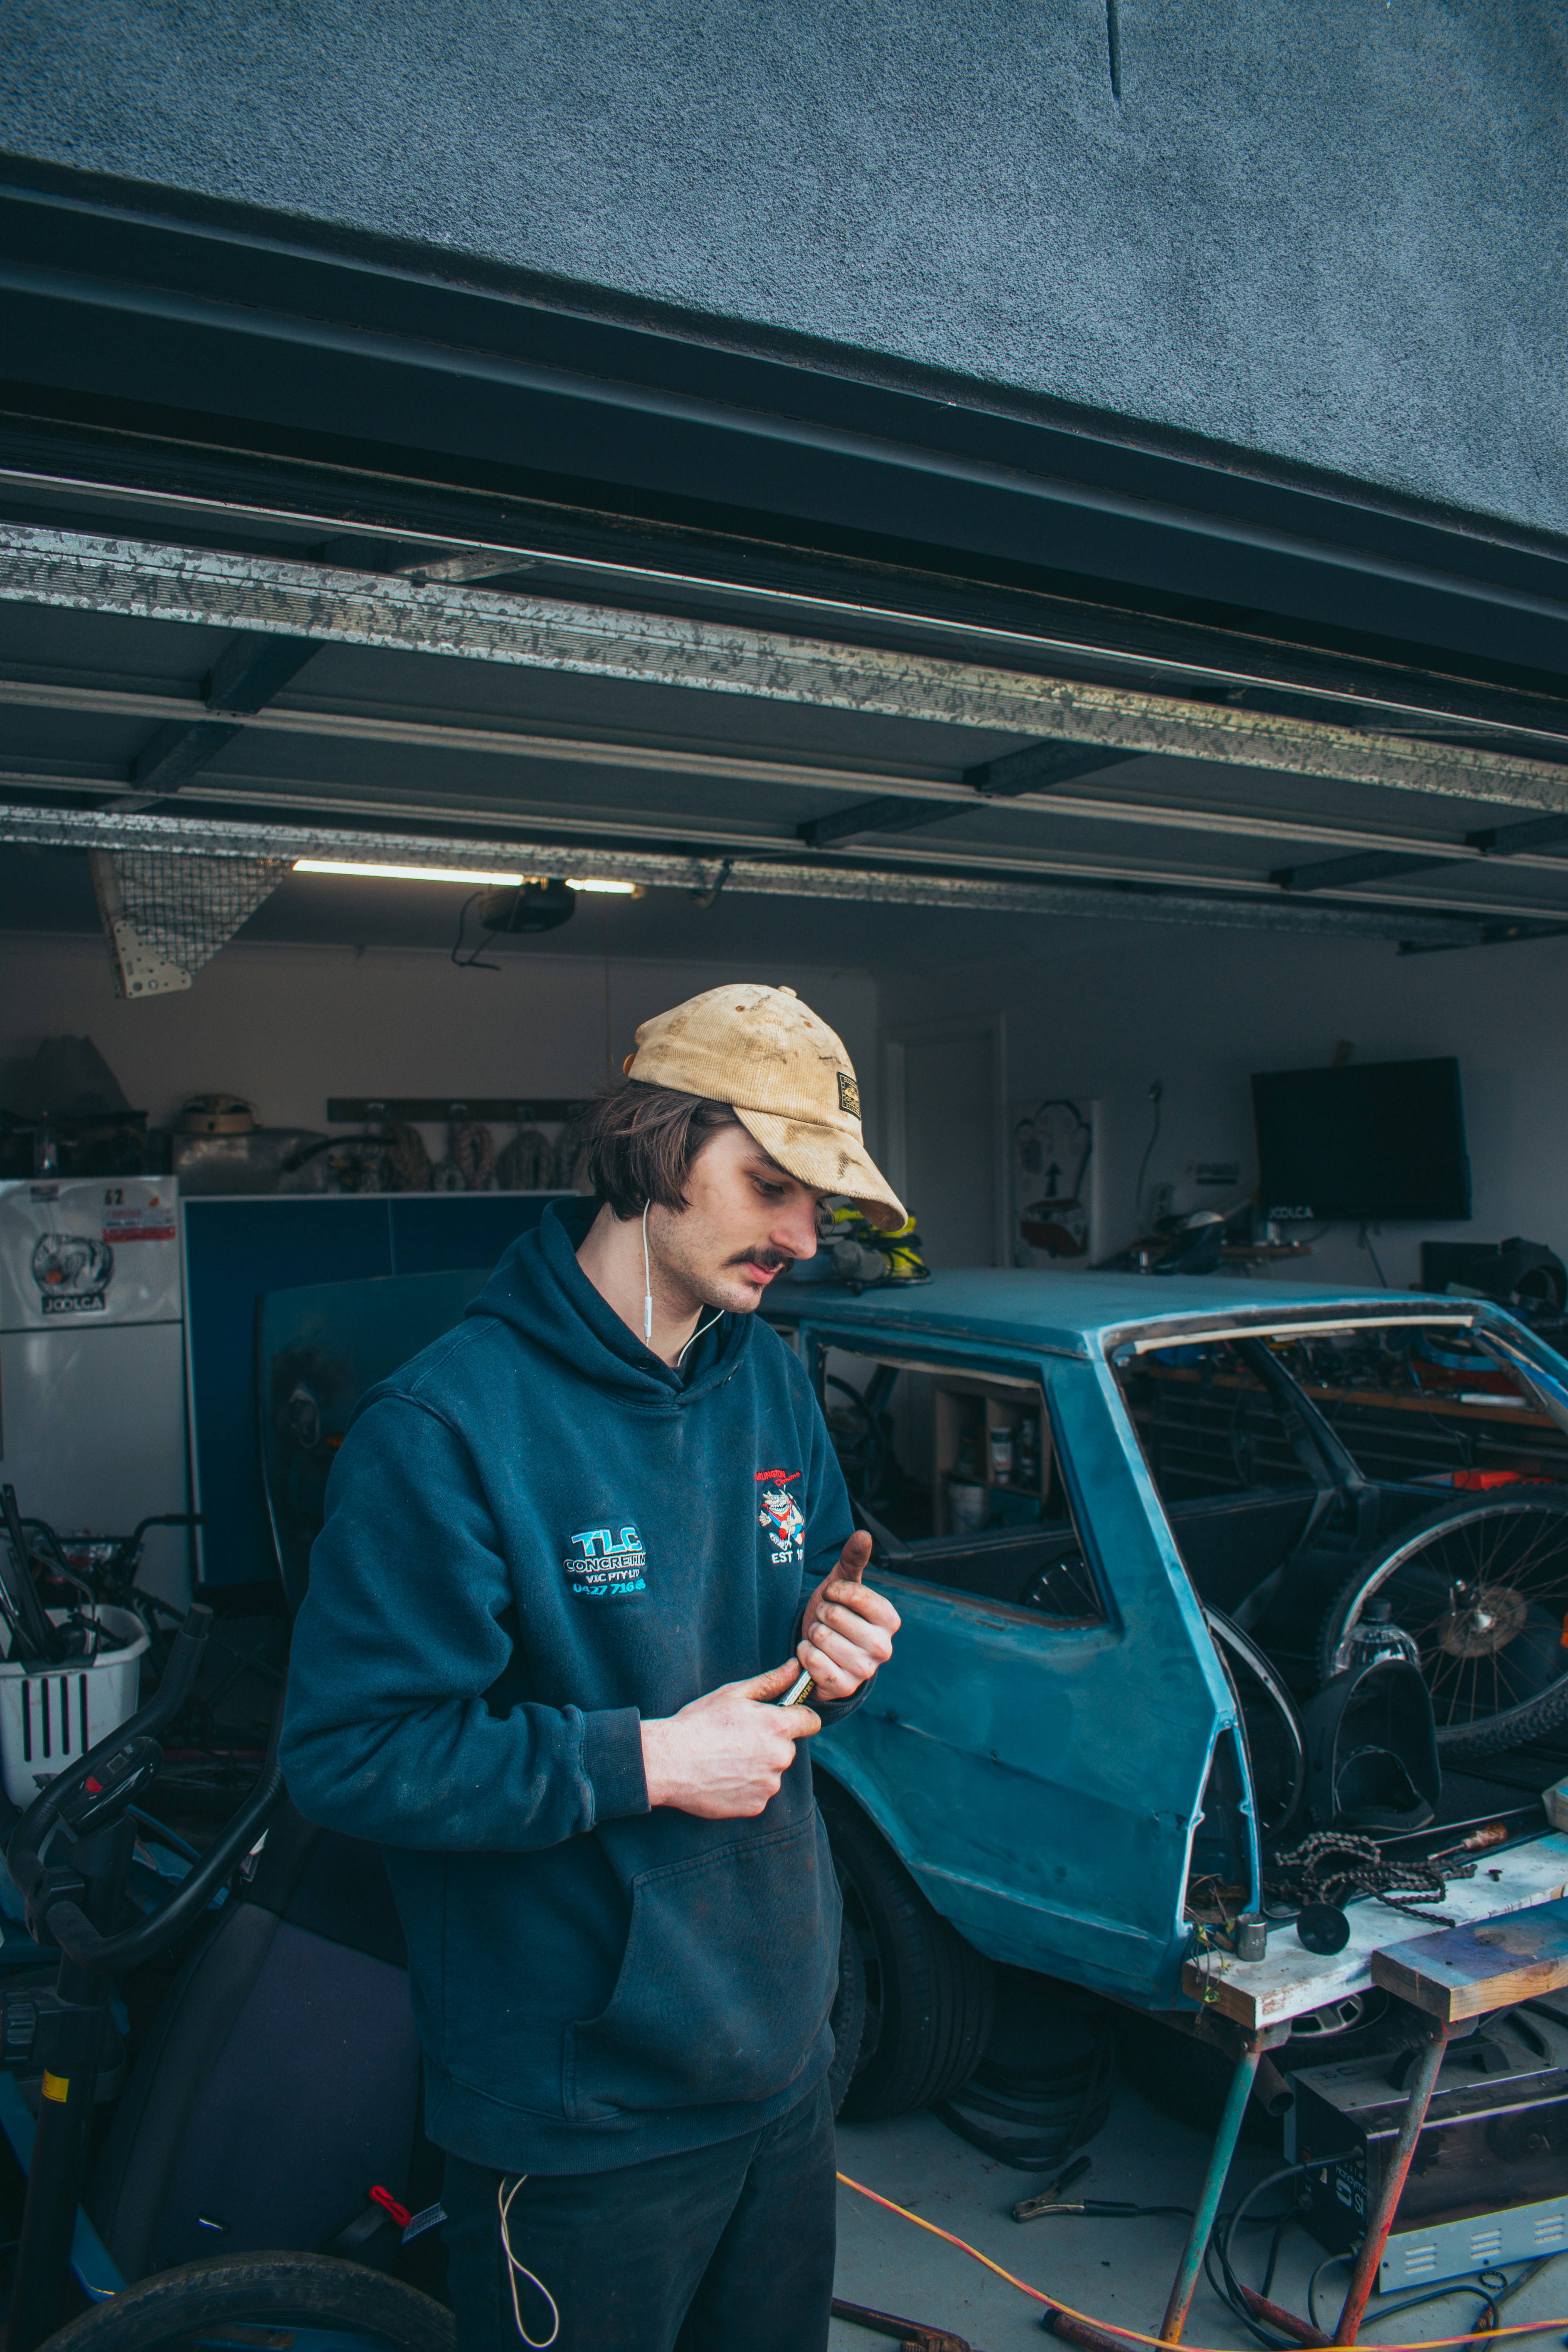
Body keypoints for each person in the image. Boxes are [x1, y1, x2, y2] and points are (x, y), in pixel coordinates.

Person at [280, 982, 906, 2352]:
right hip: (581, 2110)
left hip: (784, 2050)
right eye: (771, 1186)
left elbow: (789, 1633)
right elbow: (350, 1754)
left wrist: (835, 1656)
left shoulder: (771, 1377)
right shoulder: (447, 1425)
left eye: (823, 1200)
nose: (805, 1237)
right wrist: (650, 1759)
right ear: (654, 1148)